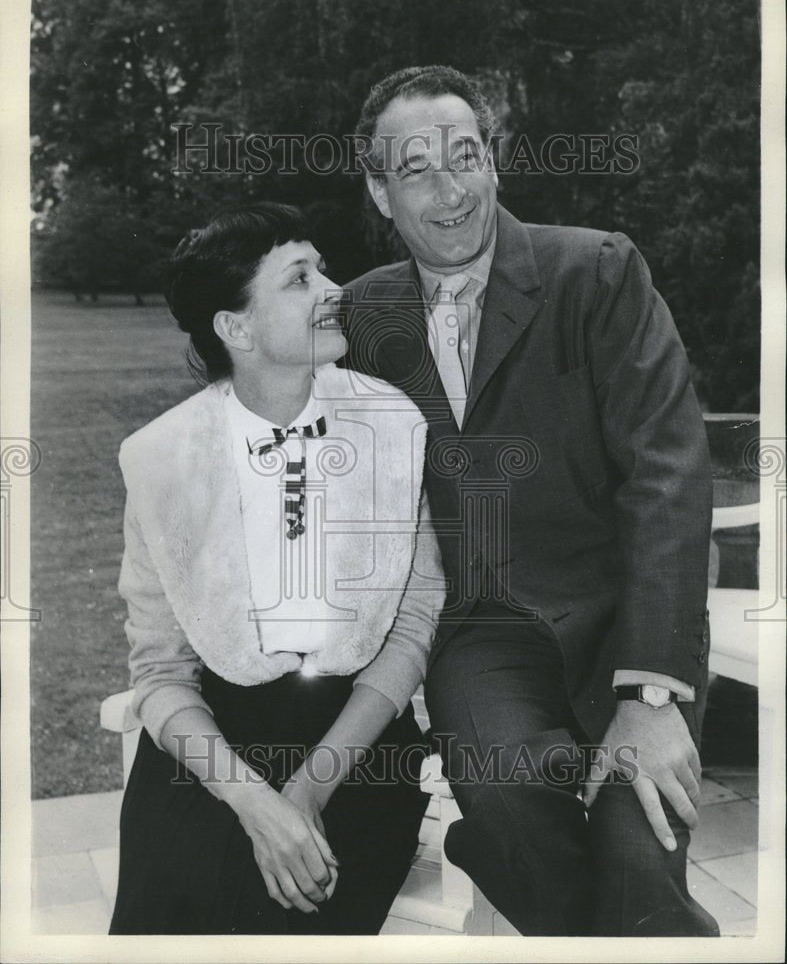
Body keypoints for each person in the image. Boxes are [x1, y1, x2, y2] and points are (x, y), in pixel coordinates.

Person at [342, 65, 719, 936]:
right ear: (376, 187)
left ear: (493, 160)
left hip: (630, 621)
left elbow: (669, 472)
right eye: (414, 170)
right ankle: (510, 851)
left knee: (639, 854)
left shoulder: (596, 271)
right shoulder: (359, 320)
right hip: (483, 638)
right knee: (513, 801)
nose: (448, 192)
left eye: (464, 156)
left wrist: (651, 699)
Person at [109, 203, 445, 935]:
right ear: (237, 328)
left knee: (284, 916)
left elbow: (414, 626)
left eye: (321, 267)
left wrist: (307, 794)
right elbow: (161, 672)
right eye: (300, 278)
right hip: (208, 747)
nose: (334, 288)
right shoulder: (162, 457)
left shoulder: (393, 424)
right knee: (175, 911)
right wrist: (255, 802)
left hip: (357, 740)